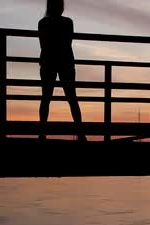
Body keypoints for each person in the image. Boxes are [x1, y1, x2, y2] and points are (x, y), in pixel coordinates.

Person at [38, 0, 86, 142]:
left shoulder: (43, 23)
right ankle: (81, 134)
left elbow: (43, 45)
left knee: (46, 97)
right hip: (65, 62)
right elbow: (67, 43)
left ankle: (42, 133)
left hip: (48, 62)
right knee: (72, 98)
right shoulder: (67, 22)